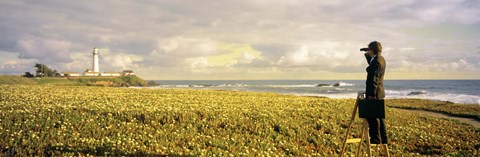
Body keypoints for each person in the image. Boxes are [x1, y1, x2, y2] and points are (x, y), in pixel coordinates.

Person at [364, 41, 388, 144]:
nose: (368, 51)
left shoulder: (377, 61)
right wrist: (367, 53)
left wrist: (372, 95)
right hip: (379, 92)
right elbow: (371, 64)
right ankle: (383, 138)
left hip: (375, 93)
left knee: (372, 117)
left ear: (372, 50)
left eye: (369, 50)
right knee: (380, 118)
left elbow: (374, 79)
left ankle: (375, 139)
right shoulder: (380, 59)